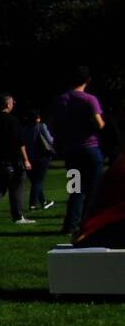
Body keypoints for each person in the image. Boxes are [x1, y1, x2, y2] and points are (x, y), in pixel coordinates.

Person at [51, 67, 107, 236]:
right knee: (93, 189)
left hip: (71, 151)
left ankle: (70, 224)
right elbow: (99, 124)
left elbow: (54, 125)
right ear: (87, 80)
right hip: (90, 149)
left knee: (75, 189)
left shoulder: (61, 100)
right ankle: (88, 224)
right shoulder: (89, 100)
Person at [0, 94, 35, 226]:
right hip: (12, 160)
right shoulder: (12, 120)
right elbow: (19, 142)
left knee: (0, 186)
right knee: (17, 188)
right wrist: (26, 159)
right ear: (8, 104)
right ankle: (18, 215)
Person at [22, 110, 57, 211]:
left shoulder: (24, 129)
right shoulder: (41, 126)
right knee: (38, 181)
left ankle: (44, 202)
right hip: (42, 157)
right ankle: (33, 204)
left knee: (35, 181)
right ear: (38, 118)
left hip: (29, 158)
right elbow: (49, 140)